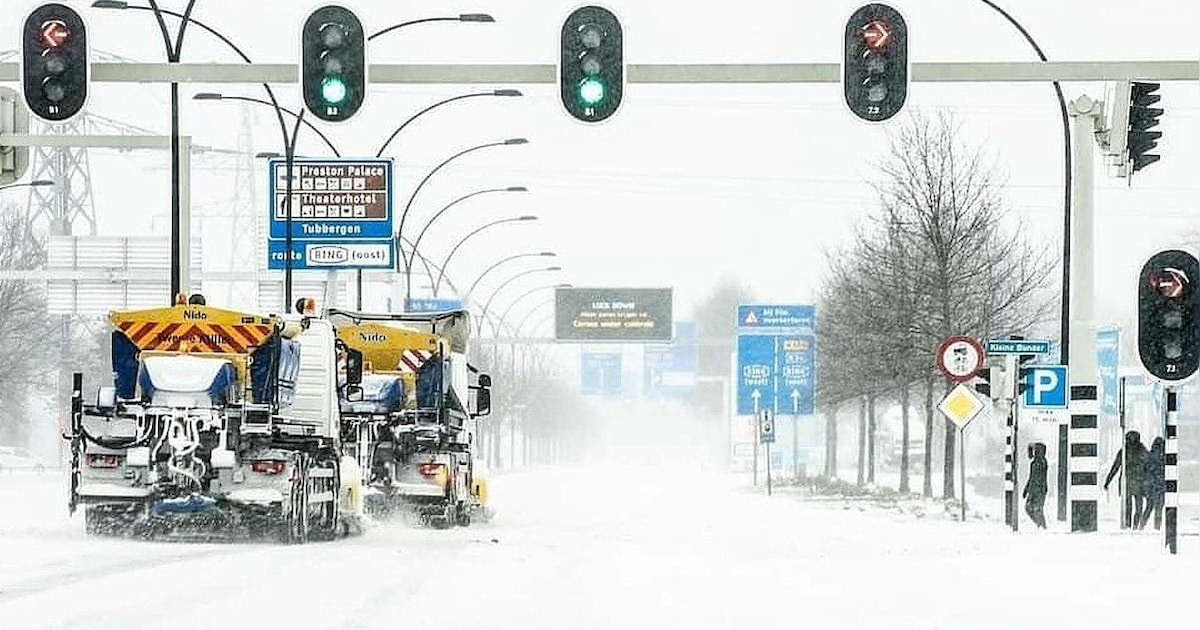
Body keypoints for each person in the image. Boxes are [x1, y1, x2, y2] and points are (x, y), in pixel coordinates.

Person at [1103, 430, 1148, 529]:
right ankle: (1135, 525)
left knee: (1128, 507)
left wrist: (1107, 481)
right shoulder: (1142, 450)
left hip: (1127, 483)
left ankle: (1128, 525)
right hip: (1138, 483)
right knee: (1138, 507)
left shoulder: (1124, 451)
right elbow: (1149, 466)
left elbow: (1115, 467)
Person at [1140, 437, 1166, 530]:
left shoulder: (1149, 456)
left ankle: (1142, 525)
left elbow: (1145, 471)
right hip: (1161, 486)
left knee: (1149, 507)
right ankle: (1157, 527)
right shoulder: (1164, 457)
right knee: (1159, 508)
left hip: (1151, 486)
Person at [1022, 442, 1048, 529]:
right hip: (1033, 490)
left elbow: (1035, 478)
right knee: (1029, 508)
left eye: (1035, 451)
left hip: (1039, 490)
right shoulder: (1034, 463)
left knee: (1037, 510)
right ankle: (1040, 525)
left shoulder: (1042, 462)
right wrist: (1026, 489)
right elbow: (1031, 477)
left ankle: (1042, 527)